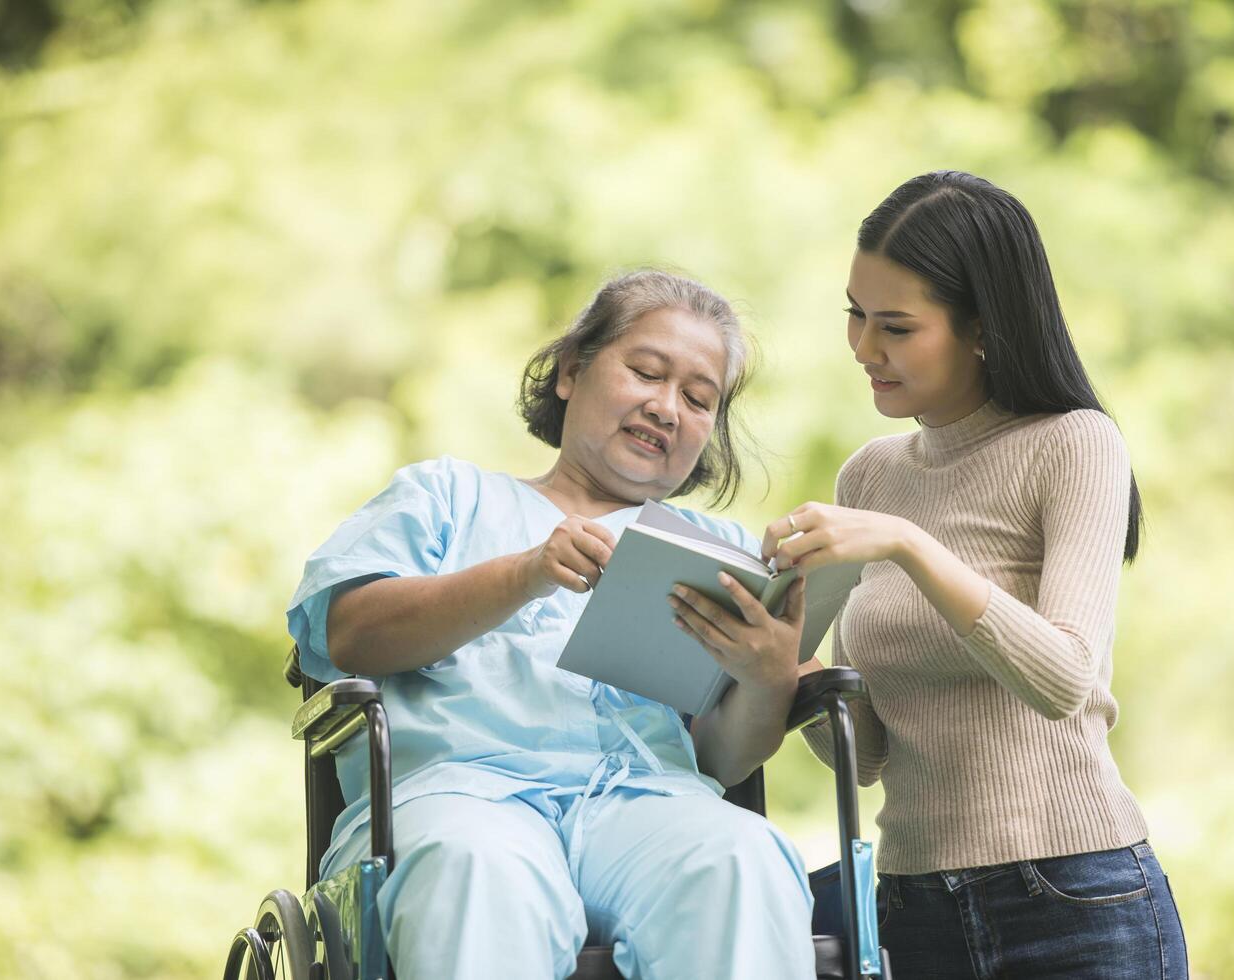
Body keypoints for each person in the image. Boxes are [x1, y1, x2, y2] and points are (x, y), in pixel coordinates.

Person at [286, 269, 815, 979]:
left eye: (698, 399)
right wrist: (525, 573)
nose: (667, 409)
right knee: (476, 866)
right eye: (646, 373)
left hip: (644, 804)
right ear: (571, 372)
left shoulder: (712, 550)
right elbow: (350, 633)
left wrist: (768, 677)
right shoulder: (447, 495)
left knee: (741, 858)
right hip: (459, 795)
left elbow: (722, 763)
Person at [765, 171, 1188, 977]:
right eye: (854, 314)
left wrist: (909, 547)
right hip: (912, 907)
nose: (862, 348)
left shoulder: (1074, 443)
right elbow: (871, 758)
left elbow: (1064, 675)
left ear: (982, 327)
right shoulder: (870, 476)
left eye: (894, 325)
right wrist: (783, 658)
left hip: (1071, 899)